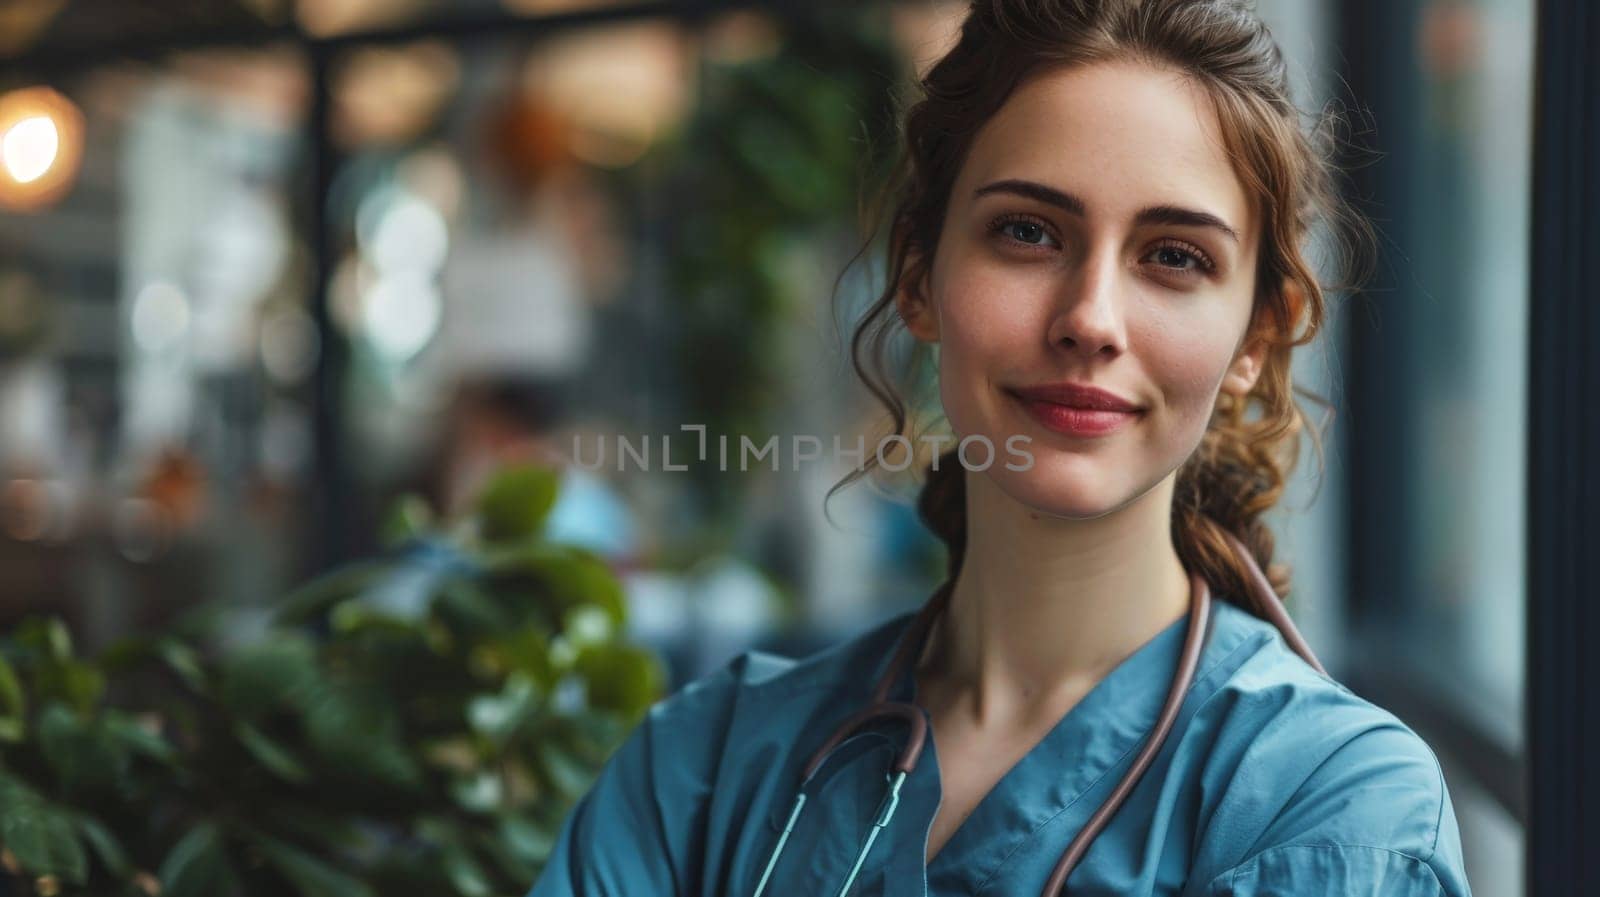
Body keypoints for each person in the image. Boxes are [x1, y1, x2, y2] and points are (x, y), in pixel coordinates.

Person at [526, 0, 1473, 894]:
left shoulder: (1335, 807)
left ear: (1255, 340)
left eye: (1174, 256)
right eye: (1028, 232)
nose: (1090, 319)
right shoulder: (700, 766)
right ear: (919, 277)